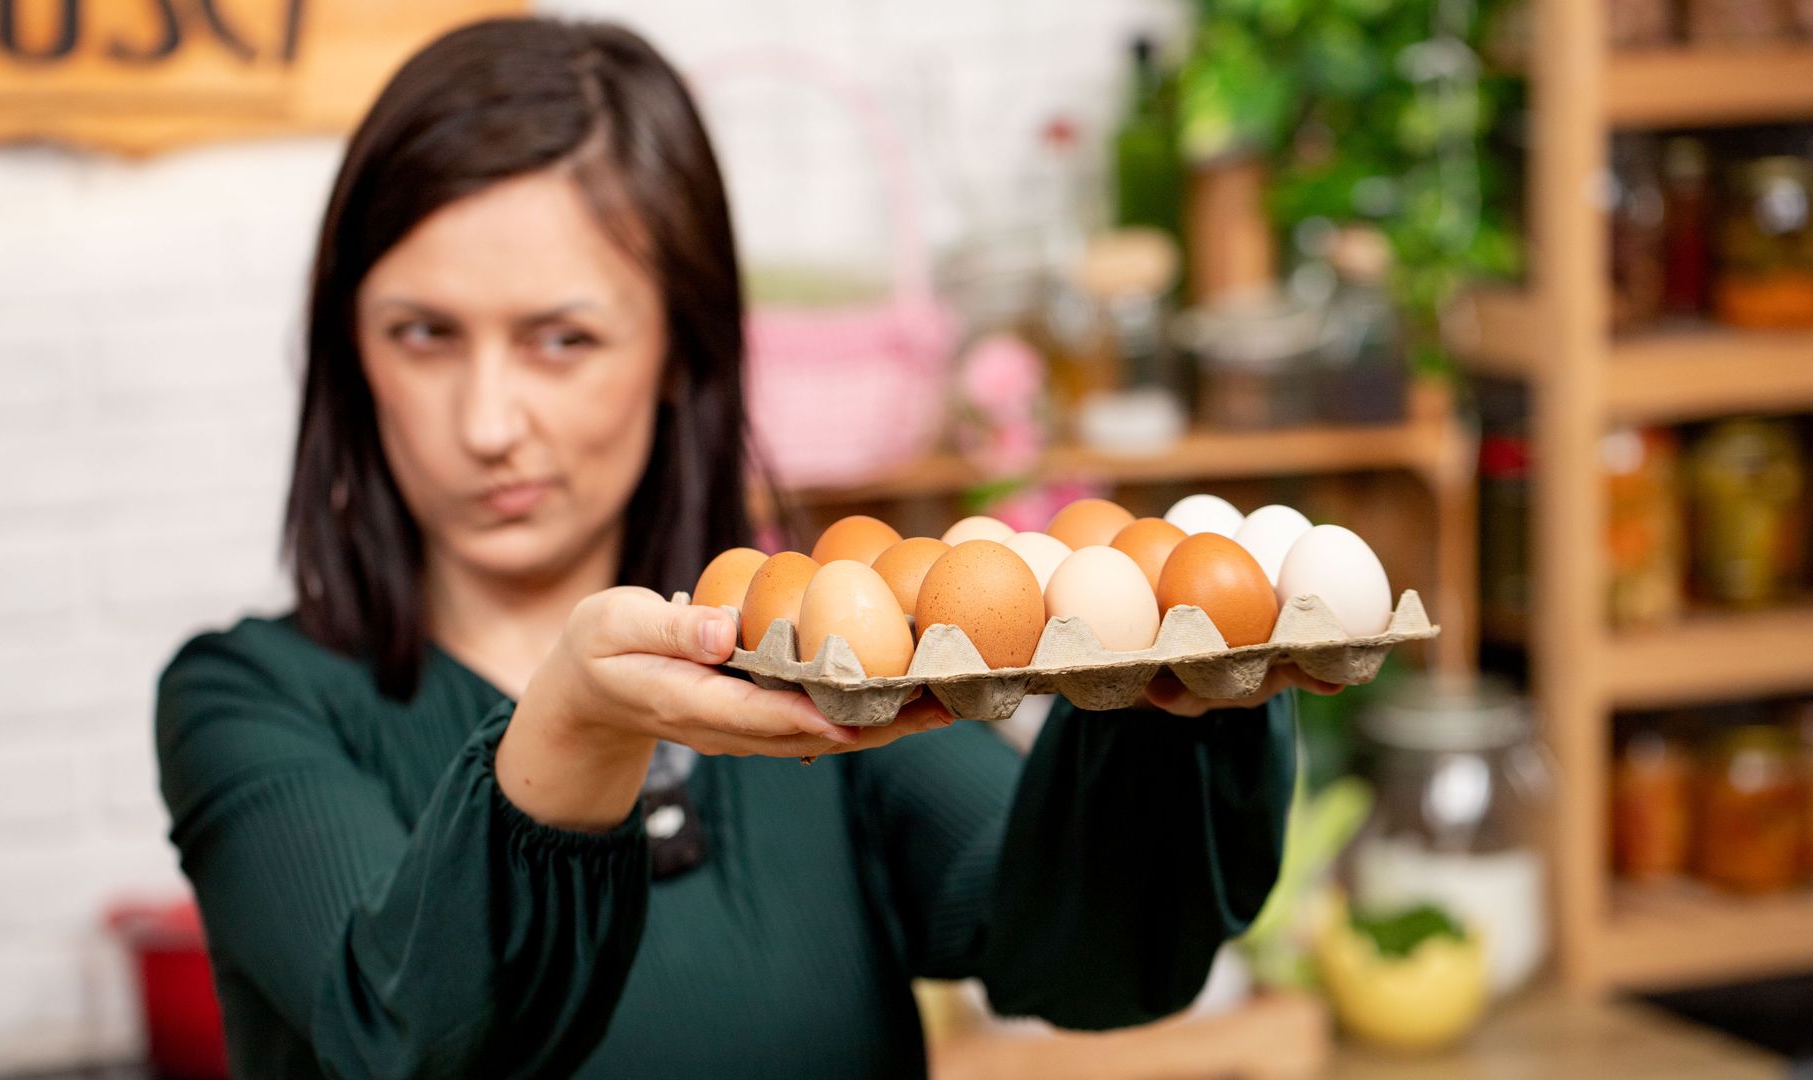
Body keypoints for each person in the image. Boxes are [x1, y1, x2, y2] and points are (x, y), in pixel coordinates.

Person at [155, 16, 1332, 1079]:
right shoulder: (251, 701)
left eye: (562, 339)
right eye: (423, 334)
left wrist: (1175, 695)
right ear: (349, 349)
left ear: (681, 349)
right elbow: (397, 1039)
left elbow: (1083, 955)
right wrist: (573, 730)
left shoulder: (811, 649)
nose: (487, 423)